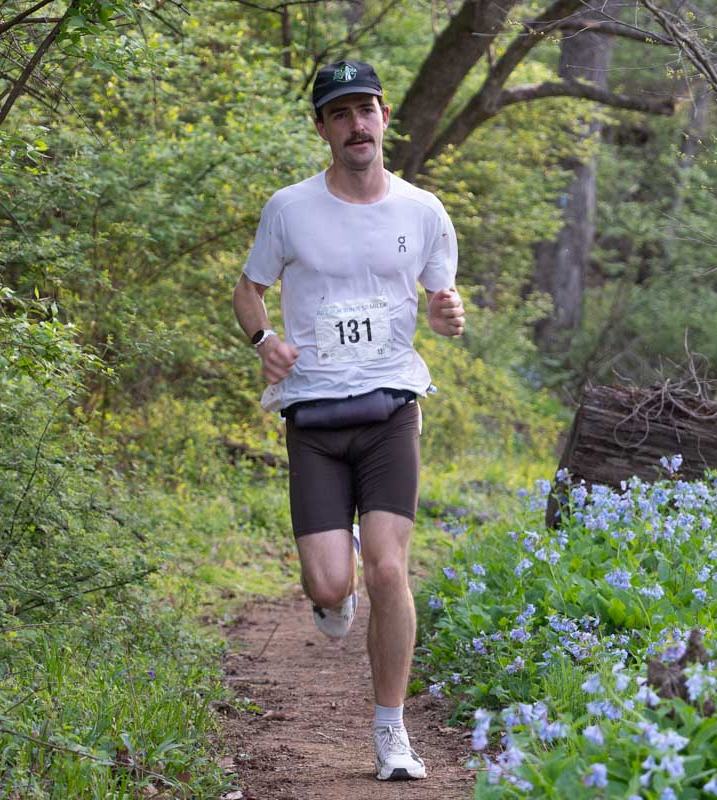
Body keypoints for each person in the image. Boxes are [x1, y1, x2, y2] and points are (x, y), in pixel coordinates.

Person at [231, 59, 465, 782]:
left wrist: (449, 313)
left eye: (365, 109)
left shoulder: (423, 211)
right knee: (330, 588)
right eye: (339, 114)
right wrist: (265, 342)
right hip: (314, 416)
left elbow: (444, 300)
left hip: (392, 407)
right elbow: (248, 291)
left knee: (389, 568)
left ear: (385, 118)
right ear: (323, 129)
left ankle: (391, 732)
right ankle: (339, 583)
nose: (355, 124)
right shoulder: (290, 209)